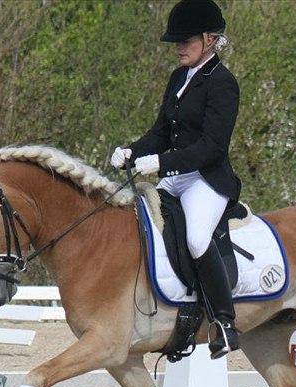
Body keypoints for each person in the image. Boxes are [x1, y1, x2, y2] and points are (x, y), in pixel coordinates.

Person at [111, 0, 241, 359]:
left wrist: (161, 163)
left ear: (211, 39)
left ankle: (225, 323)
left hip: (205, 180)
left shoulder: (223, 84)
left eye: (187, 40)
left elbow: (212, 147)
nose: (180, 47)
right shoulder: (178, 78)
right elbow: (160, 132)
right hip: (175, 176)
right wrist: (132, 151)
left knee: (197, 240)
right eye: (177, 41)